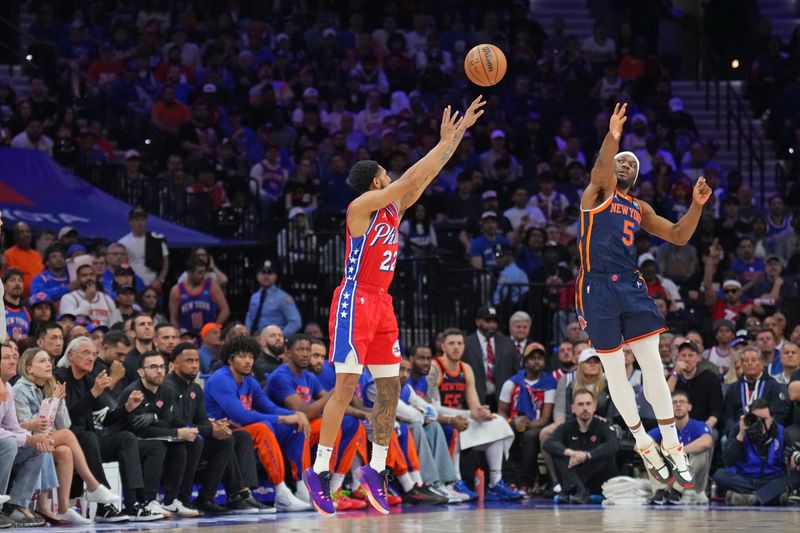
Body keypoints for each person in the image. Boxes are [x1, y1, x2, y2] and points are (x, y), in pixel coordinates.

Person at [303, 95, 486, 517]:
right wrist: (445, 140)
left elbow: (424, 178)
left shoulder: (394, 206)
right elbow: (410, 181)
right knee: (346, 386)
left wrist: (454, 140)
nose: (394, 178)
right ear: (376, 182)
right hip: (354, 298)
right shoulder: (360, 207)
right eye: (388, 174)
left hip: (382, 302)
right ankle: (319, 470)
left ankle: (376, 470)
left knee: (391, 388)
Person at [576, 103, 712, 489]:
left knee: (653, 365)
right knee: (615, 371)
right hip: (596, 286)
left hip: (631, 286)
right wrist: (613, 135)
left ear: (637, 178)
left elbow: (679, 236)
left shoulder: (639, 207)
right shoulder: (596, 193)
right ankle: (643, 444)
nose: (626, 165)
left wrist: (696, 206)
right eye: (621, 161)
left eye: (633, 165)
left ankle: (672, 444)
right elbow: (600, 169)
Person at [54, 337, 158, 522]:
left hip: (90, 443)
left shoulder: (89, 380)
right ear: (71, 355)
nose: (91, 358)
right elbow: (66, 418)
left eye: (94, 354)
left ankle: (133, 504)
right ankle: (104, 506)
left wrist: (127, 408)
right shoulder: (60, 377)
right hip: (67, 442)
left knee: (126, 438)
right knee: (88, 437)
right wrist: (94, 393)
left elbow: (106, 419)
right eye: (86, 353)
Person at [204, 336, 312, 512]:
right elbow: (240, 416)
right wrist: (284, 418)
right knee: (263, 428)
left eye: (251, 357)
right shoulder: (220, 379)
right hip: (223, 432)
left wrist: (296, 415)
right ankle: (281, 492)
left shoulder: (249, 381)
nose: (248, 361)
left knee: (296, 428)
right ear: (231, 359)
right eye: (242, 357)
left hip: (242, 430)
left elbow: (269, 407)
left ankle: (301, 487)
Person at [163, 342, 271, 516]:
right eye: (188, 361)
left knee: (235, 436)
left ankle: (219, 497)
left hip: (192, 437)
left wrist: (216, 425)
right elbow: (176, 422)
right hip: (172, 442)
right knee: (200, 441)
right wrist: (209, 430)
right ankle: (187, 498)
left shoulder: (195, 388)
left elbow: (201, 420)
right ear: (173, 364)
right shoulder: (168, 387)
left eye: (196, 361)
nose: (194, 365)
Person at [13, 348, 119, 523]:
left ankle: (63, 507)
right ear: (29, 368)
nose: (48, 364)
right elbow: (25, 426)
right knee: (68, 436)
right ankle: (93, 485)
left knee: (65, 452)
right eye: (42, 361)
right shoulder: (20, 390)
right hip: (25, 441)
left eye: (49, 361)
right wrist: (52, 402)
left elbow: (64, 424)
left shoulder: (49, 386)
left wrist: (59, 403)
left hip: (45, 439)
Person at [266, 334, 367, 512]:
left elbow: (331, 403)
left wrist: (363, 415)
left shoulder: (308, 376)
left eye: (307, 350)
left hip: (306, 427)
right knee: (316, 425)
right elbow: (303, 411)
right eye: (300, 350)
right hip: (283, 430)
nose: (305, 354)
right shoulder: (280, 376)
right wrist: (335, 391)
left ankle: (333, 488)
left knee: (351, 423)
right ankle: (308, 488)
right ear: (288, 352)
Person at [426, 328, 523, 501]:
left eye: (459, 343)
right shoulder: (435, 368)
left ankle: (495, 482)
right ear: (443, 346)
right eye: (451, 343)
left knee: (497, 423)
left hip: (461, 416)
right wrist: (470, 413)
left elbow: (474, 405)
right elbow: (433, 408)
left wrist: (482, 412)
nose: (456, 347)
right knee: (455, 425)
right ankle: (454, 479)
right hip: (440, 419)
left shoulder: (466, 368)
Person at [117, 350, 200, 517]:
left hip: (146, 436)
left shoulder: (167, 390)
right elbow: (139, 429)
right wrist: (176, 432)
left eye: (162, 366)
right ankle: (148, 501)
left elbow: (166, 420)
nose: (159, 371)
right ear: (141, 372)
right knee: (158, 445)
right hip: (127, 441)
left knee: (183, 445)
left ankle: (171, 501)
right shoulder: (133, 392)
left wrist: (157, 420)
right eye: (153, 367)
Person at [714, 399, 800, 505]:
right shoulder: (739, 429)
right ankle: (770, 497)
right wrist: (741, 435)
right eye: (756, 419)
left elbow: (788, 462)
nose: (761, 423)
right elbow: (728, 461)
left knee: (795, 477)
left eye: (764, 419)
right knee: (719, 475)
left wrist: (791, 463)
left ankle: (753, 499)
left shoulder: (782, 433)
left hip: (771, 479)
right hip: (745, 478)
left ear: (772, 418)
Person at [498, 345, 557, 494]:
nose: (536, 362)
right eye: (532, 358)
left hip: (537, 424)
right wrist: (512, 422)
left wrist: (528, 424)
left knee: (529, 436)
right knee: (503, 431)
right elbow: (501, 413)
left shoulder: (549, 384)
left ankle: (526, 482)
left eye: (540, 358)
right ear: (525, 362)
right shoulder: (511, 383)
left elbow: (545, 418)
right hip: (513, 421)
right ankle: (508, 480)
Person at [543, 389, 619, 504]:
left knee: (605, 454)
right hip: (574, 473)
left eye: (588, 404)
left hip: (596, 479)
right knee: (558, 454)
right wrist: (572, 453)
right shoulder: (567, 426)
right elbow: (548, 444)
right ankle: (580, 490)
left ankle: (575, 490)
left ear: (594, 407)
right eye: (580, 404)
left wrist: (587, 455)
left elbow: (614, 445)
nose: (585, 408)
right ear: (573, 408)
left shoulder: (602, 426)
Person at [647, 391, 713, 505]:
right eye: (674, 402)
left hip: (694, 481)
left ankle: (677, 491)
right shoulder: (665, 427)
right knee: (648, 449)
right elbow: (639, 445)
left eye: (682, 402)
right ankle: (660, 491)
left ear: (689, 407)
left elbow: (707, 441)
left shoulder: (698, 425)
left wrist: (679, 452)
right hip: (670, 477)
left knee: (702, 452)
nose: (678, 405)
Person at [462, 305, 517, 410]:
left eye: (494, 321)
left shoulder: (507, 343)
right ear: (478, 322)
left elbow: (515, 371)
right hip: (475, 399)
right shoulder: (467, 344)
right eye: (488, 321)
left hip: (501, 399)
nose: (492, 325)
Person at [169, 255, 229, 336]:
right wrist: (178, 335)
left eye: (204, 272)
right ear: (190, 272)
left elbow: (225, 311)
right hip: (186, 336)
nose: (203, 275)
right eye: (199, 272)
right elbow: (173, 319)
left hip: (209, 336)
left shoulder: (212, 286)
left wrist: (213, 327)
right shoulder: (177, 290)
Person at [117, 207, 169, 290]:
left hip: (153, 285)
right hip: (133, 285)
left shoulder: (156, 239)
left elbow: (165, 263)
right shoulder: (123, 243)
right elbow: (121, 265)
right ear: (130, 222)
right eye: (136, 220)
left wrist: (160, 280)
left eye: (142, 219)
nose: (140, 222)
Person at [244, 260, 302, 335]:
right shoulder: (254, 297)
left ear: (276, 276)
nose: (266, 276)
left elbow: (296, 322)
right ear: (257, 276)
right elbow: (250, 318)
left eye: (270, 273)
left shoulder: (283, 297)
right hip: (255, 339)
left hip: (275, 341)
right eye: (263, 273)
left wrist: (279, 336)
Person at [59, 258, 121, 327]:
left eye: (91, 275)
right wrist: (87, 300)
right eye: (84, 275)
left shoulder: (107, 299)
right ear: (77, 280)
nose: (89, 278)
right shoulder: (68, 298)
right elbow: (70, 324)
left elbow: (115, 325)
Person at [3, 222, 43, 294]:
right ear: (15, 236)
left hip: (37, 298)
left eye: (27, 231)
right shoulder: (8, 254)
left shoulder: (38, 255)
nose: (25, 234)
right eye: (21, 232)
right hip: (18, 297)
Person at [2, 270, 30, 340]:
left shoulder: (28, 309)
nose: (17, 283)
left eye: (20, 280)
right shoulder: (1, 307)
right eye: (12, 280)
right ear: (4, 286)